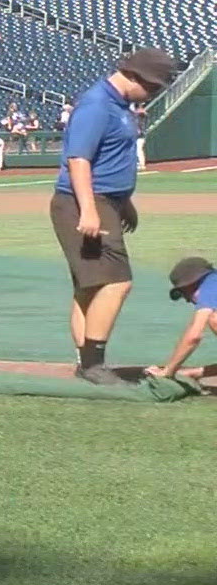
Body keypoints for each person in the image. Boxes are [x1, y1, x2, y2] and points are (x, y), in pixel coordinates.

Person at [51, 48, 176, 385]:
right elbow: (79, 160)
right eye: (152, 88)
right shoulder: (96, 104)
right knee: (117, 282)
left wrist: (125, 203)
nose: (152, 94)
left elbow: (113, 158)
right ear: (136, 77)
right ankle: (94, 365)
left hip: (107, 201)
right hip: (83, 202)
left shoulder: (120, 106)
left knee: (90, 287)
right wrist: (90, 209)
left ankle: (85, 363)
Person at [146, 257, 217, 389]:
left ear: (190, 285)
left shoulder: (210, 286)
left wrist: (168, 371)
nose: (187, 300)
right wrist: (195, 372)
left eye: (183, 293)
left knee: (214, 319)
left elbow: (193, 336)